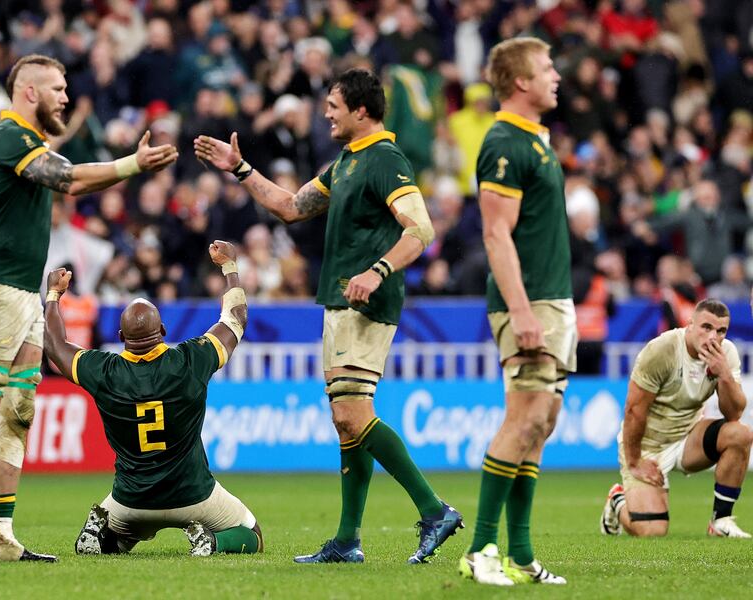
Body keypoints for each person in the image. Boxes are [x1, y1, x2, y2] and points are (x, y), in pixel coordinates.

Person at [0, 53, 178, 564]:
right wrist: (132, 164)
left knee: (16, 410)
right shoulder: (6, 135)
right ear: (29, 93)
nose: (65, 96)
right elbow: (71, 180)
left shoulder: (26, 141)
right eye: (57, 88)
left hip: (20, 292)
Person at [194, 68, 461, 565]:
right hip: (341, 301)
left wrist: (377, 271)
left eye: (334, 106)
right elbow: (292, 207)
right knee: (346, 423)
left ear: (362, 110)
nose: (326, 114)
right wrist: (240, 168)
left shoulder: (384, 159)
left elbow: (421, 228)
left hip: (365, 301)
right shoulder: (346, 163)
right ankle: (346, 540)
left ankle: (433, 510)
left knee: (351, 413)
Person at [43, 241, 263, 556]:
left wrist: (54, 295)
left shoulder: (104, 371)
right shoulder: (190, 360)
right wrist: (230, 268)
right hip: (193, 495)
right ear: (162, 328)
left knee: (121, 536)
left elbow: (54, 345)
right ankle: (210, 541)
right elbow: (236, 319)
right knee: (251, 533)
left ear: (121, 338)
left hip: (131, 501)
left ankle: (103, 534)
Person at [459, 37, 572, 586]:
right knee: (524, 417)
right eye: (546, 67)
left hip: (555, 298)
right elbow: (495, 233)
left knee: (542, 423)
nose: (556, 74)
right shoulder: (504, 141)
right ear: (520, 80)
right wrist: (523, 311)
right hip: (529, 303)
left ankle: (522, 556)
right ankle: (482, 548)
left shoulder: (537, 140)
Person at [601, 300, 752, 539]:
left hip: (688, 438)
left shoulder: (726, 354)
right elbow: (634, 410)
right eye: (706, 327)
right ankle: (617, 500)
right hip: (648, 445)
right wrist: (634, 461)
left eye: (721, 331)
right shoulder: (663, 350)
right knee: (651, 531)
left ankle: (720, 521)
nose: (713, 336)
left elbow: (734, 414)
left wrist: (723, 374)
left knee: (740, 433)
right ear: (690, 324)